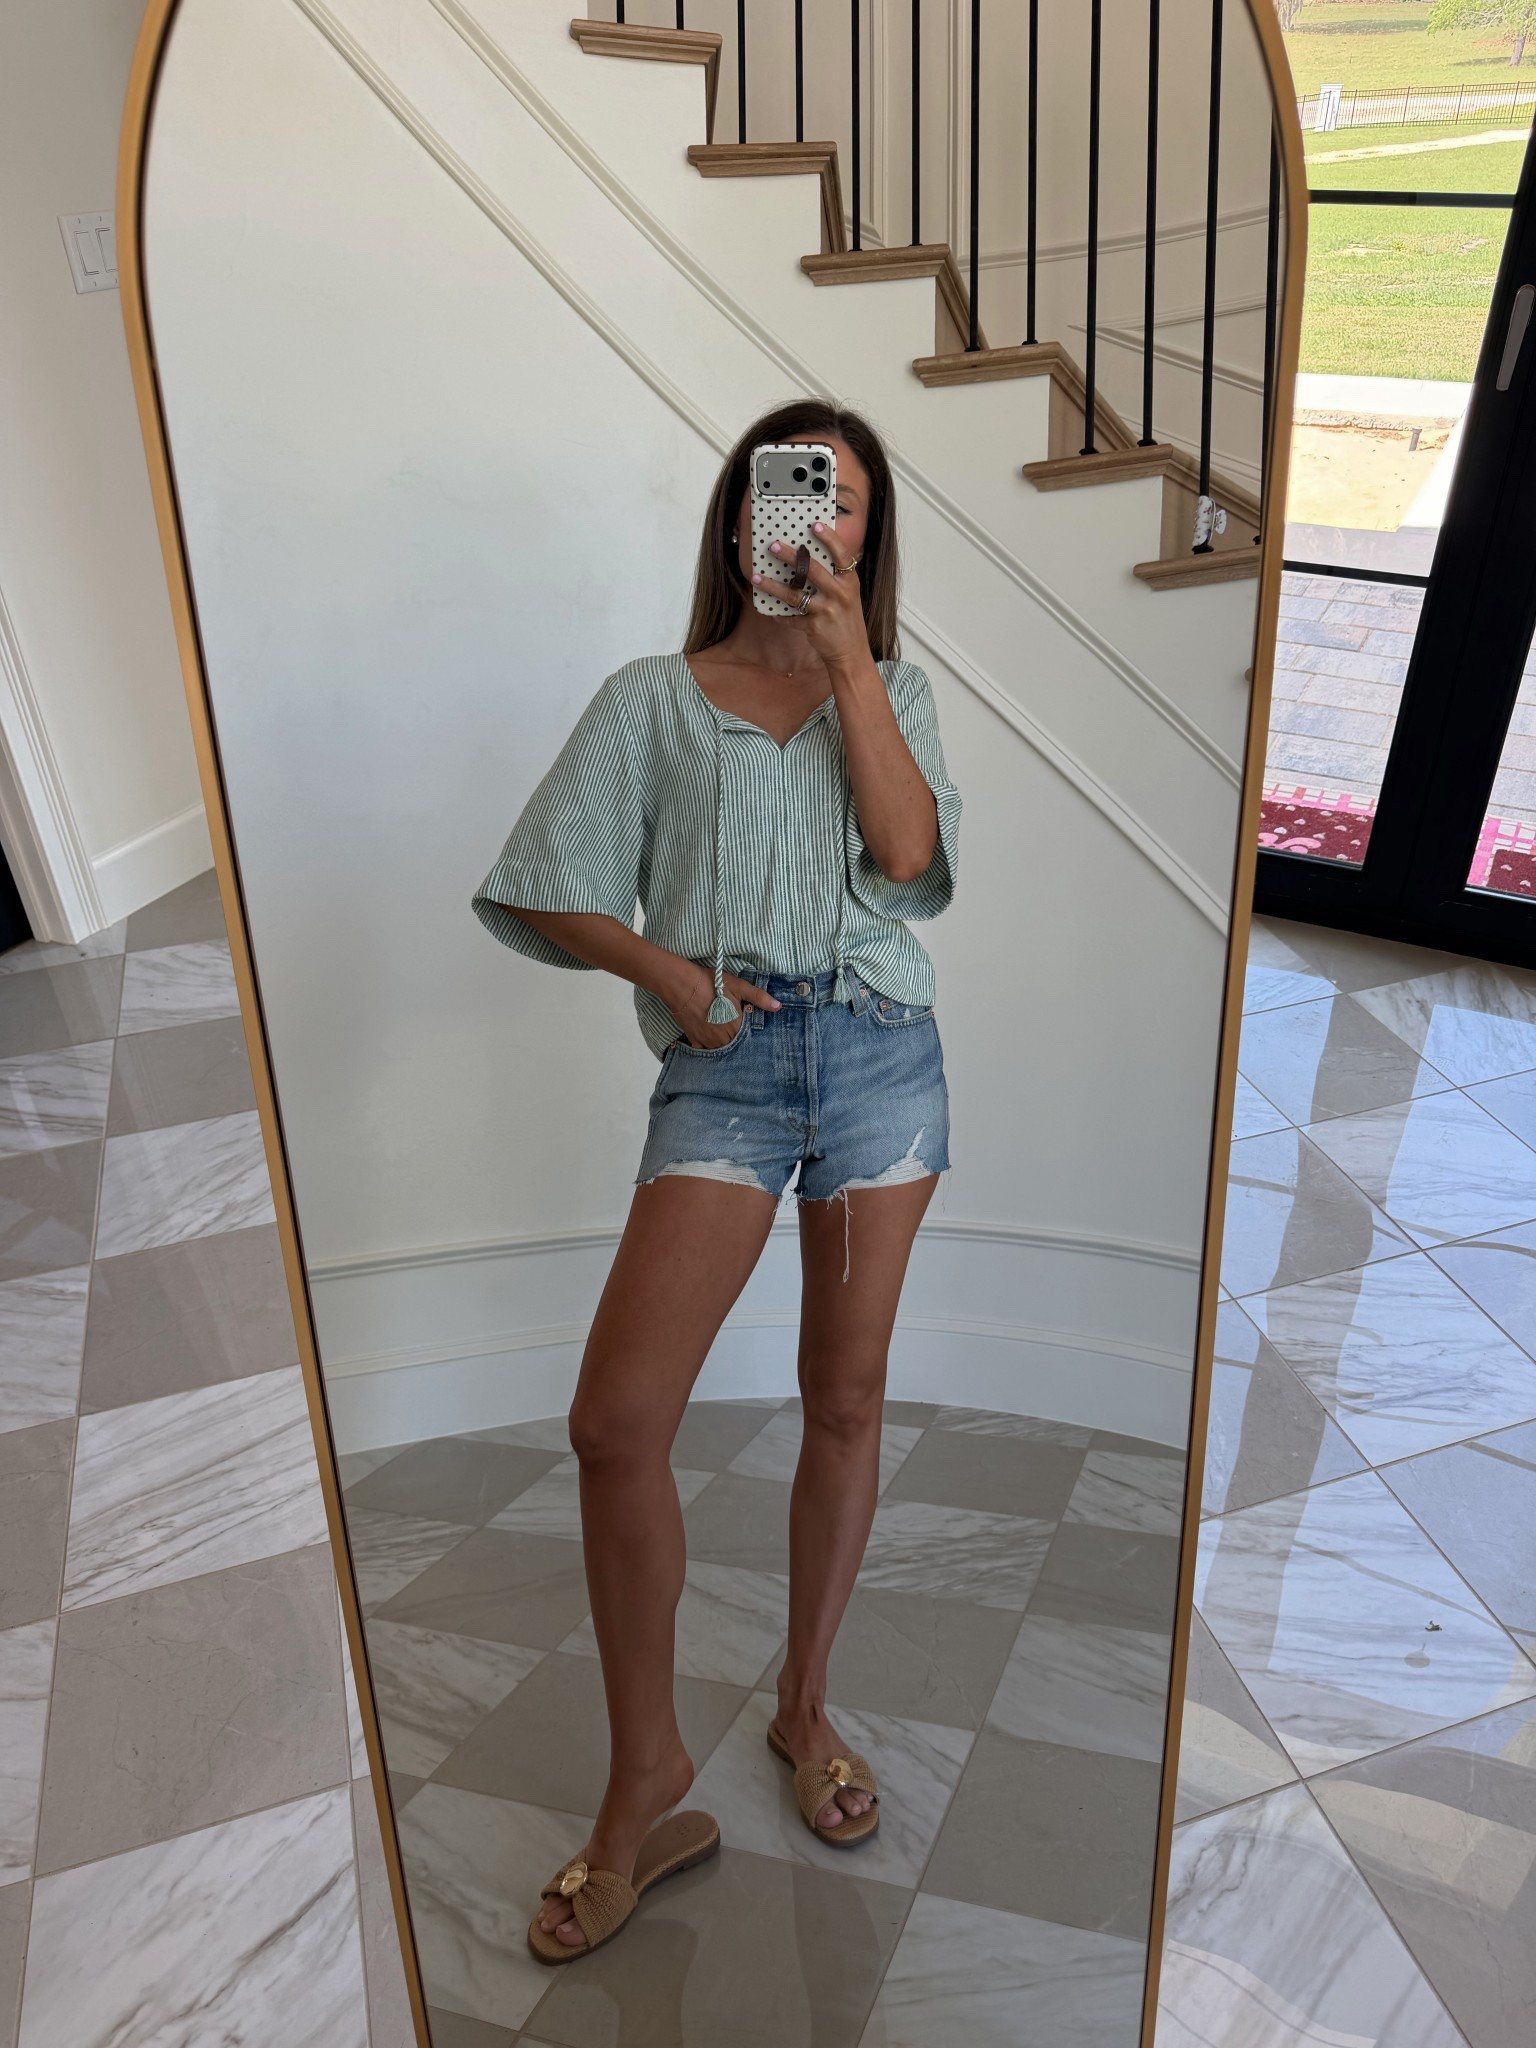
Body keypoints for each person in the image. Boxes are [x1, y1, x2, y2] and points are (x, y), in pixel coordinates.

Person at [472, 398, 961, 1960]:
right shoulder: (651, 701)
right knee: (616, 1423)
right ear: (739, 518)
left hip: (879, 1059)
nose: (813, 522)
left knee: (846, 1399)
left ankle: (804, 1706)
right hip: (729, 1064)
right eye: (787, 496)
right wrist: (674, 978)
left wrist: (851, 668)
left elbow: (908, 862)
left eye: (843, 503)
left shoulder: (897, 689)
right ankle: (647, 1778)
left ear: (868, 535)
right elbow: (543, 886)